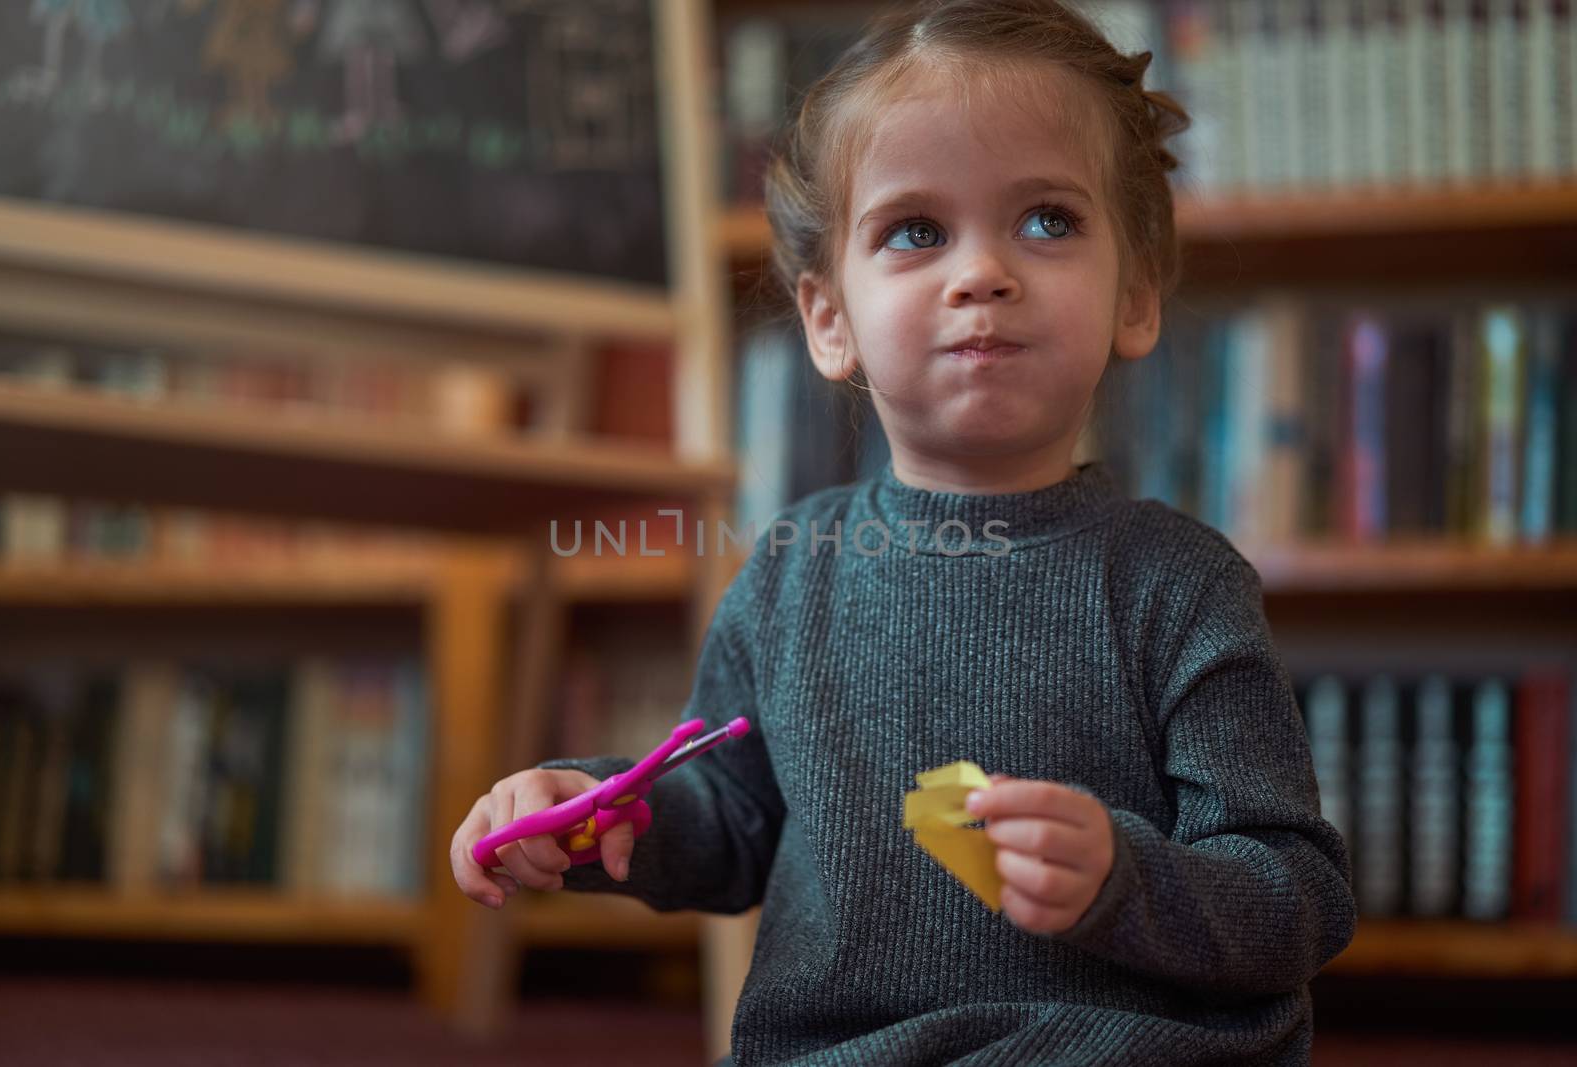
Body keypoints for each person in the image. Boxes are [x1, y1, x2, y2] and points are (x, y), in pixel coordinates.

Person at [450, 2, 1356, 1063]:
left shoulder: (1180, 584)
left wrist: (1126, 875)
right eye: (915, 232)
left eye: (1048, 220)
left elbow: (1296, 896)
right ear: (829, 320)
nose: (982, 273)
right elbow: (731, 821)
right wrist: (602, 813)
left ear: (1136, 296)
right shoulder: (792, 574)